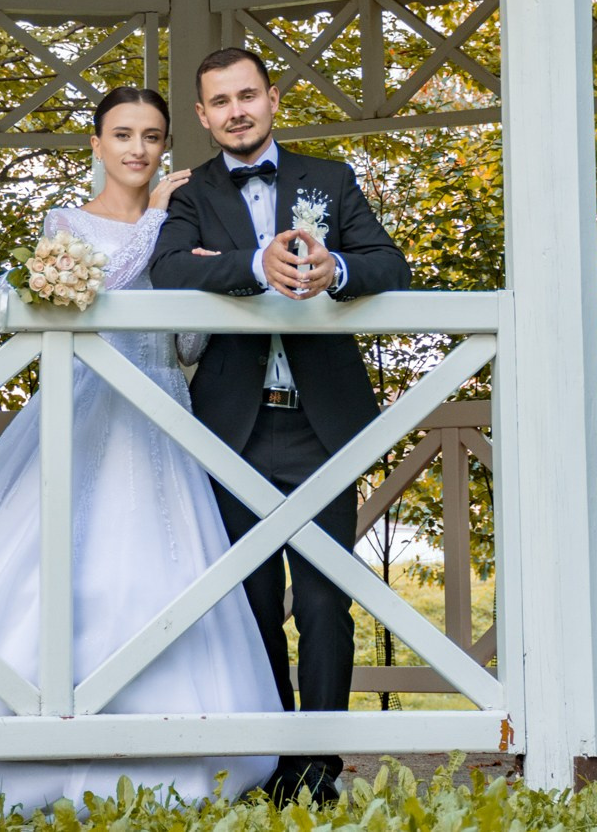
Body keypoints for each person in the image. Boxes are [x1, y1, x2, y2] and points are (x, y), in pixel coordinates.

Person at [0, 87, 279, 818]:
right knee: (50, 564)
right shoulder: (67, 223)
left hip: (162, 409)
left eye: (152, 136)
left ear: (166, 145)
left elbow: (185, 337)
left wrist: (192, 320)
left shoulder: (180, 225)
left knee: (163, 570)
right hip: (84, 406)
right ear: (95, 145)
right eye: (123, 134)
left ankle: (179, 753)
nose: (138, 148)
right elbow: (96, 294)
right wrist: (160, 217)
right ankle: (9, 750)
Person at [149, 49, 411, 805]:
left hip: (321, 425)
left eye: (247, 95)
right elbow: (170, 271)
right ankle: (272, 763)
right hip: (231, 428)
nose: (236, 110)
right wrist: (253, 267)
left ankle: (318, 768)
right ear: (202, 116)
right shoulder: (191, 192)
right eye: (219, 101)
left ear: (272, 99)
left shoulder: (329, 180)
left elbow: (389, 264)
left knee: (327, 601)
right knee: (255, 600)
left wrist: (341, 275)